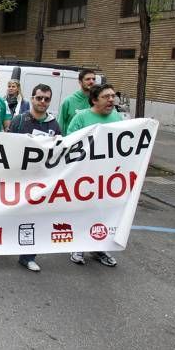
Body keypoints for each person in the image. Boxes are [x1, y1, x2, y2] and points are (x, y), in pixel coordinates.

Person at [7, 84, 62, 273]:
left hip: (40, 183)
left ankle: (28, 256)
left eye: (46, 99)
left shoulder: (54, 125)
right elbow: (7, 148)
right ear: (32, 98)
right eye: (39, 98)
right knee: (9, 215)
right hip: (17, 179)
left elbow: (59, 153)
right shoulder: (19, 121)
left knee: (35, 219)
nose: (43, 102)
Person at [66, 84, 121, 267]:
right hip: (84, 176)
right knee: (83, 210)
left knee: (103, 213)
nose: (111, 100)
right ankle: (78, 245)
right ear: (95, 100)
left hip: (108, 177)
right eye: (106, 97)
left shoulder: (117, 117)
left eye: (113, 96)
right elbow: (70, 144)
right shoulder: (81, 117)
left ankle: (99, 248)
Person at [59, 68, 97, 135]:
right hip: (72, 142)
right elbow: (60, 125)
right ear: (80, 82)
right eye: (88, 79)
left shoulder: (98, 101)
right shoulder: (68, 101)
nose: (91, 81)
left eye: (93, 79)